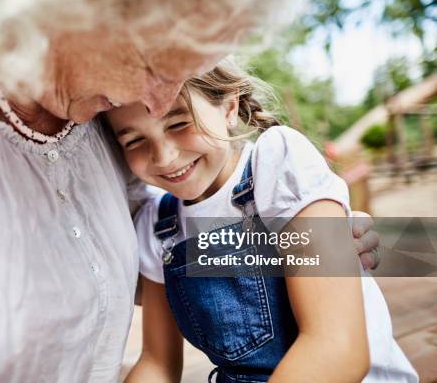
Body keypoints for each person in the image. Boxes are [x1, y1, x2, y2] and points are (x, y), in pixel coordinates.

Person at [0, 0, 381, 381]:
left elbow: (142, 274)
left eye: (186, 73)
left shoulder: (99, 107)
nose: (156, 103)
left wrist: (301, 246)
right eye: (155, 63)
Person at [106, 65, 417, 382]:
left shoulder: (278, 163)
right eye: (134, 140)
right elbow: (158, 364)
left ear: (228, 107)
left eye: (179, 123)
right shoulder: (158, 226)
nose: (164, 156)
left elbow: (337, 349)